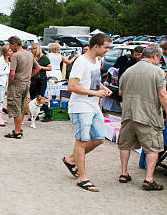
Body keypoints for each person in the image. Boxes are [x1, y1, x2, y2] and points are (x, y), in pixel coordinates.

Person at [62, 33, 112, 192]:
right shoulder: (81, 62)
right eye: (106, 47)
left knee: (99, 138)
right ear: (96, 46)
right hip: (81, 107)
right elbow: (72, 86)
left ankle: (70, 159)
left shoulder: (96, 61)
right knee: (81, 141)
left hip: (92, 106)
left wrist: (104, 88)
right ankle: (82, 178)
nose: (107, 51)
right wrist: (96, 93)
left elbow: (95, 81)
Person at [117, 45, 167, 191]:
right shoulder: (157, 72)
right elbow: (162, 94)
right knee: (153, 147)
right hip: (148, 115)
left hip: (128, 114)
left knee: (125, 145)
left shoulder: (128, 71)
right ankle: (149, 179)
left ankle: (124, 173)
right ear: (155, 56)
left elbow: (120, 92)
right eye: (160, 58)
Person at [4, 36, 40, 138]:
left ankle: (17, 131)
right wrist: (29, 76)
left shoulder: (15, 55)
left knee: (16, 108)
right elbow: (37, 67)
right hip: (26, 84)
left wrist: (9, 84)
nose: (10, 48)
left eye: (10, 45)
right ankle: (18, 129)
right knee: (21, 107)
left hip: (16, 84)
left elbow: (12, 73)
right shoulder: (29, 54)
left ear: (15, 44)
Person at [30, 43, 52, 121]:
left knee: (41, 97)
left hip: (42, 79)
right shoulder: (32, 57)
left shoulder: (44, 58)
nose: (31, 50)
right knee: (33, 97)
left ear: (37, 49)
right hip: (33, 79)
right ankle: (34, 115)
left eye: (32, 49)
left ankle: (48, 114)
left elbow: (50, 68)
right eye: (31, 49)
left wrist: (40, 67)